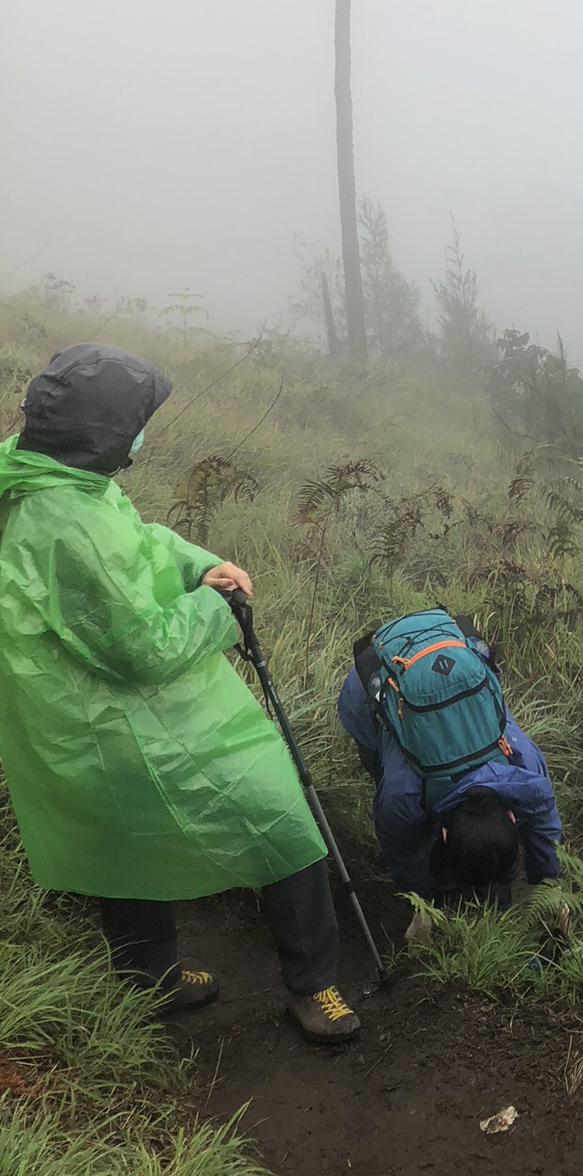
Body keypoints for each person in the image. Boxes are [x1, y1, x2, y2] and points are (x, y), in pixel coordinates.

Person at [0, 344, 360, 1043]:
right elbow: (145, 649)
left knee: (118, 842)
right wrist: (219, 610)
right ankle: (313, 985)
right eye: (136, 422)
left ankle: (150, 980)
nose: (143, 435)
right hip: (112, 718)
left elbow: (137, 539)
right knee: (281, 816)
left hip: (72, 718)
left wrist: (201, 564)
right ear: (102, 433)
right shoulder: (64, 524)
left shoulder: (46, 469)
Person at [336, 619, 562, 911]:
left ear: (512, 815)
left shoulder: (524, 769)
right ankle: (447, 874)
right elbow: (403, 853)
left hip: (452, 666)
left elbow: (545, 830)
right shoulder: (401, 794)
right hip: (373, 685)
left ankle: (463, 871)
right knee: (393, 789)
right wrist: (423, 905)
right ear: (511, 815)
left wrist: (550, 888)